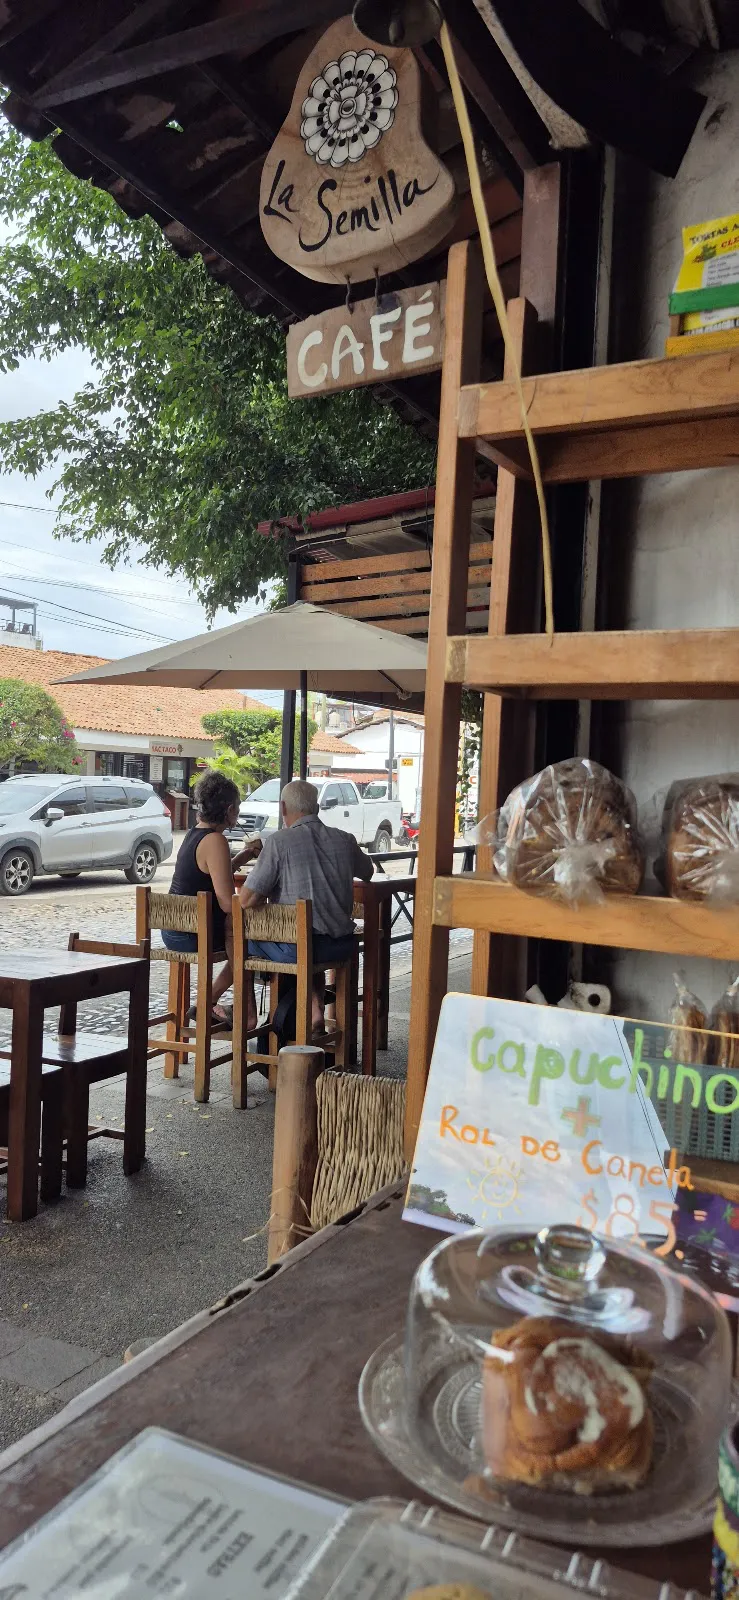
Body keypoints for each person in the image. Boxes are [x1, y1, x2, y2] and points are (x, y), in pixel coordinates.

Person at [239, 777, 373, 1034]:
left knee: (242, 941)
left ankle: (249, 1016)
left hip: (299, 950)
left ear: (283, 808)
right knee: (308, 941)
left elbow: (246, 900)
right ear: (317, 808)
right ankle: (315, 1011)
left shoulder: (279, 842)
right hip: (340, 946)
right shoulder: (344, 839)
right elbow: (367, 871)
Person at [163, 770, 260, 1024]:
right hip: (194, 932)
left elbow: (211, 873)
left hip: (175, 928)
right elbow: (228, 903)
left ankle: (214, 1004)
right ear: (229, 810)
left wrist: (244, 857)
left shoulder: (195, 833)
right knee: (252, 947)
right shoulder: (216, 840)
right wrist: (254, 898)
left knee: (241, 940)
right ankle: (213, 1002)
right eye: (237, 808)